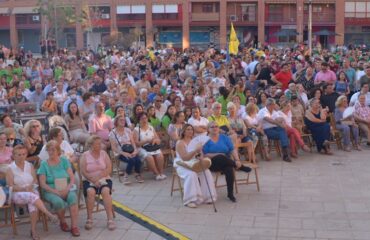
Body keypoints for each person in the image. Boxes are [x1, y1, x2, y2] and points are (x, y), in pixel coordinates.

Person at [6, 145, 58, 240]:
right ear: (13, 156)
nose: (22, 156)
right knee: (32, 196)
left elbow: (35, 181)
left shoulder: (29, 166)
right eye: (19, 154)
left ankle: (33, 231)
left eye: (24, 154)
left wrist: (31, 186)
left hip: (31, 191)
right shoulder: (10, 168)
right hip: (17, 194)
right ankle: (48, 214)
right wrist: (24, 189)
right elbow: (10, 186)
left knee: (33, 205)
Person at [37, 140, 80, 237]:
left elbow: (72, 177)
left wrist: (68, 188)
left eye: (53, 150)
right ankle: (63, 221)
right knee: (58, 202)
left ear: (58, 151)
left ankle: (74, 226)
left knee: (73, 198)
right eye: (49, 150)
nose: (51, 152)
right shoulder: (44, 164)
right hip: (50, 190)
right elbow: (42, 184)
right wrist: (55, 191)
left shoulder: (64, 161)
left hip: (66, 187)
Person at [202, 122, 251, 202]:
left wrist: (237, 159)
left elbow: (232, 149)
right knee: (221, 156)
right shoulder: (205, 140)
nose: (215, 128)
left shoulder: (224, 137)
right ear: (208, 129)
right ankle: (240, 166)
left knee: (229, 169)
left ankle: (230, 194)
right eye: (212, 127)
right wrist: (218, 154)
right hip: (212, 163)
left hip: (227, 162)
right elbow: (205, 154)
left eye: (216, 126)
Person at [174, 124, 216, 208]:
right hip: (182, 164)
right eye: (188, 129)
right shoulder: (180, 143)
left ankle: (207, 196)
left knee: (206, 171)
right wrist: (194, 151)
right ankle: (190, 199)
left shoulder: (195, 141)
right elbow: (185, 158)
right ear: (184, 131)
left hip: (194, 163)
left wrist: (200, 155)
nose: (190, 131)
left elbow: (200, 155)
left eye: (191, 130)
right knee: (191, 174)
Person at [80, 136, 116, 231]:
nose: (101, 145)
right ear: (91, 145)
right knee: (90, 192)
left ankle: (110, 218)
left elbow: (109, 168)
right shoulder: (85, 155)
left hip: (104, 178)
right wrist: (93, 180)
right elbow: (83, 171)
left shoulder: (104, 154)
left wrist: (99, 178)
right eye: (98, 144)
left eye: (100, 143)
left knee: (105, 191)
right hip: (89, 180)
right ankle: (89, 218)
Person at [109, 114, 143, 185]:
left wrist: (135, 150)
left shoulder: (128, 130)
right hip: (120, 152)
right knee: (131, 160)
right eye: (121, 120)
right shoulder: (112, 133)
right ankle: (126, 176)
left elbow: (133, 142)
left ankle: (137, 174)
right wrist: (123, 153)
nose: (123, 121)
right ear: (116, 122)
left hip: (130, 150)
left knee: (138, 160)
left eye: (124, 120)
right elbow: (113, 148)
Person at [133, 113, 166, 180]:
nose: (144, 120)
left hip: (152, 146)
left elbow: (157, 139)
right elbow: (136, 143)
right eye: (142, 119)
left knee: (160, 155)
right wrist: (147, 141)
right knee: (149, 157)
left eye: (145, 118)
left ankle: (161, 173)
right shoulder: (136, 129)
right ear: (139, 120)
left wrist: (155, 140)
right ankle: (156, 174)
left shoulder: (151, 127)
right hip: (142, 147)